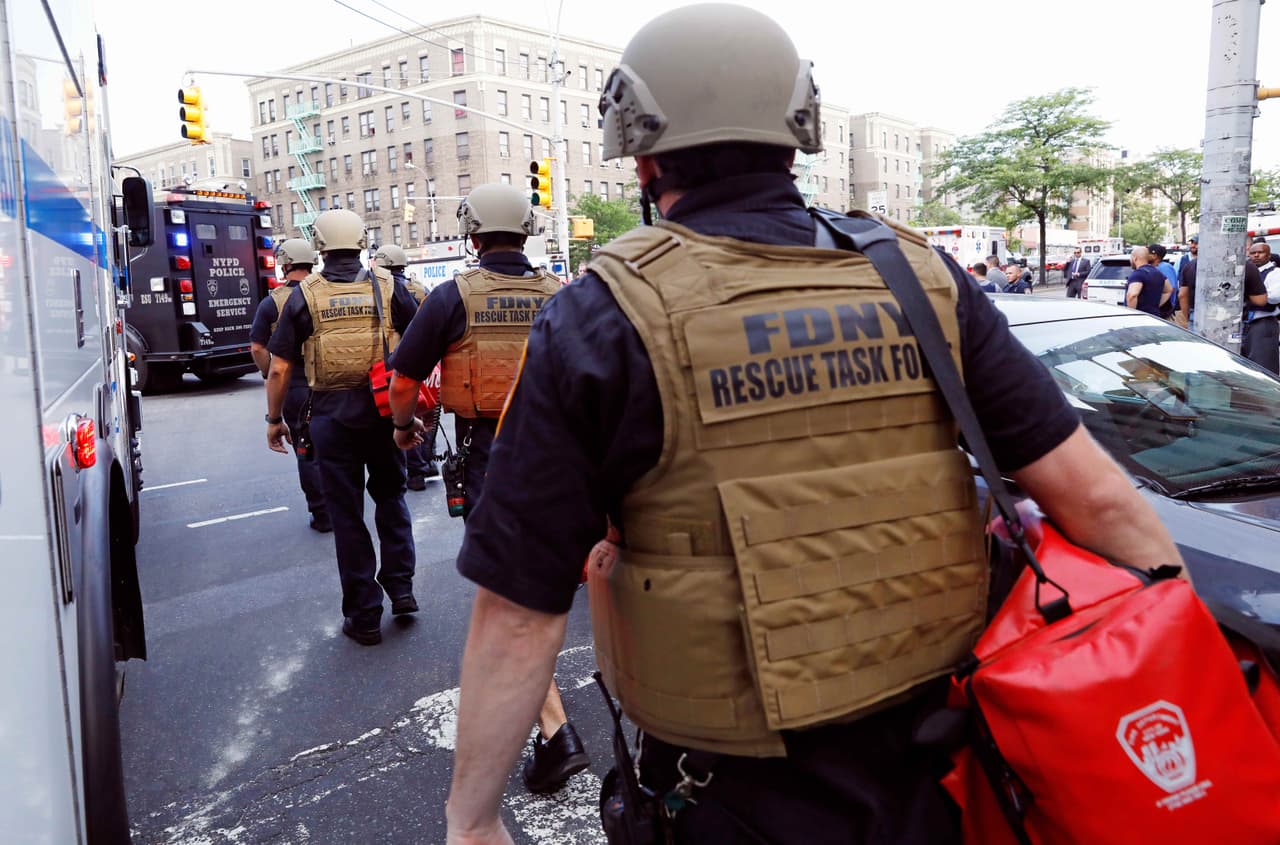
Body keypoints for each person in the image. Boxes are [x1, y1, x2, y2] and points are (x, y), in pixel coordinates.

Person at [442, 5, 1183, 844]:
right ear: (798, 136)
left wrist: (472, 820)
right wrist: (1188, 667)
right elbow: (1097, 498)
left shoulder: (602, 314)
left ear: (642, 156)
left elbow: (519, 611)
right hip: (949, 766)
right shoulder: (923, 276)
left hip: (734, 797)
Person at [386, 183, 589, 795]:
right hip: (565, 457)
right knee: (543, 593)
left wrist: (405, 432)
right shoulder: (562, 295)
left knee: (508, 602)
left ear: (471, 235)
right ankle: (555, 724)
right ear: (527, 232)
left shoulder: (452, 296)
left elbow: (403, 382)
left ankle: (556, 731)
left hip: (489, 454)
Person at [266, 209, 419, 646]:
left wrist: (275, 421)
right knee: (392, 498)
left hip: (332, 417)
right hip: (384, 408)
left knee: (347, 517)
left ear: (319, 245)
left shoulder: (304, 295)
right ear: (361, 240)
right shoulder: (390, 287)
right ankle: (402, 590)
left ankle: (365, 616)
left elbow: (279, 369)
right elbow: (417, 342)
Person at [249, 239, 329, 532]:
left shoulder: (273, 302)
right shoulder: (325, 293)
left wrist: (270, 372)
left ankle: (322, 514)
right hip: (331, 383)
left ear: (284, 266)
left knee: (307, 450)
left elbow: (257, 347)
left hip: (295, 386)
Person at [373, 243, 439, 491]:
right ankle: (425, 462)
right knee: (426, 413)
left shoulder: (385, 289)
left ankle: (415, 471)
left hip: (397, 366)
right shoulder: (419, 288)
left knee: (405, 418)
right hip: (425, 362)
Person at [1243, 240, 1280, 373]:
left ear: (1269, 255)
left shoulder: (1275, 273)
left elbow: (1274, 297)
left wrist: (1253, 295)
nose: (1256, 255)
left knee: (1263, 366)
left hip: (1262, 323)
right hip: (1244, 324)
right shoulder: (1245, 270)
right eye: (1253, 253)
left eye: (1260, 252)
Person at [1124, 245, 1170, 316]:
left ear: (1135, 258)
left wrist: (1131, 315)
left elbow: (1132, 295)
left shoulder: (1138, 274)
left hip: (1139, 317)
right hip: (1154, 316)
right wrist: (1154, 306)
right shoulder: (1158, 273)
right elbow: (1169, 290)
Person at [1147, 244, 1179, 319]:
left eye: (1148, 253)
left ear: (1155, 256)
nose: (1146, 255)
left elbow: (1171, 288)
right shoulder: (1151, 267)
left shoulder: (1165, 267)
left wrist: (1156, 306)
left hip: (1163, 311)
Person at [1175, 237, 1198, 328]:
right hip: (1184, 309)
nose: (1193, 245)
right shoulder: (1182, 260)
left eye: (1196, 243)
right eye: (1191, 242)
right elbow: (1176, 284)